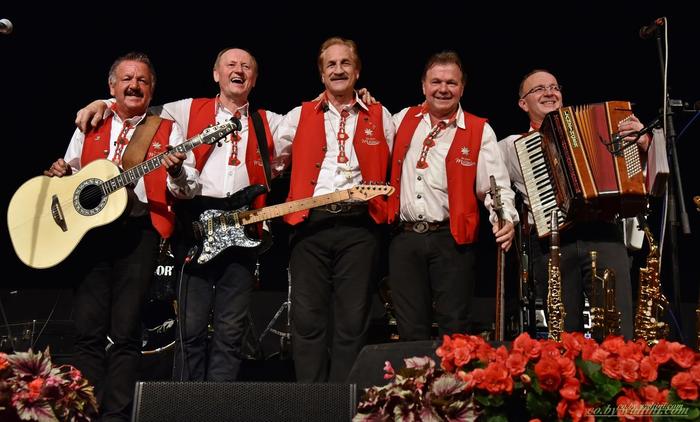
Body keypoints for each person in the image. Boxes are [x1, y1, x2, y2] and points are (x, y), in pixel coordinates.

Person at [75, 47, 287, 382]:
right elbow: (139, 107)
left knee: (231, 331)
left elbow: (316, 124)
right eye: (230, 64)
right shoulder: (187, 110)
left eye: (247, 66)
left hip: (242, 229)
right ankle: (185, 405)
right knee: (190, 328)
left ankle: (217, 407)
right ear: (216, 74)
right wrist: (100, 103)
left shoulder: (271, 122)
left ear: (255, 78)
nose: (239, 70)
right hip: (195, 227)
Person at [44, 52, 184, 421]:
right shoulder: (91, 121)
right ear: (112, 87)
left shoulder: (166, 129)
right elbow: (71, 173)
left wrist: (178, 171)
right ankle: (84, 412)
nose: (134, 85)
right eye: (126, 79)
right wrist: (60, 172)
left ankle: (116, 416)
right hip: (90, 234)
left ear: (152, 89)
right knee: (88, 332)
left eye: (142, 80)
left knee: (125, 333)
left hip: (138, 233)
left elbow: (186, 190)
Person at [276, 36, 395, 382]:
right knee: (307, 320)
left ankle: (343, 406)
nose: (338, 70)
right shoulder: (299, 115)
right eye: (331, 64)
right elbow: (273, 161)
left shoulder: (381, 115)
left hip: (360, 228)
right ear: (321, 73)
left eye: (346, 63)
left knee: (352, 321)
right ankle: (312, 405)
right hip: (309, 228)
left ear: (357, 71)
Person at [498, 69, 650, 339]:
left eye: (554, 87)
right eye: (539, 89)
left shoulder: (602, 126)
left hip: (603, 232)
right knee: (565, 338)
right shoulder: (510, 147)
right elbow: (496, 188)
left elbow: (640, 179)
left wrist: (643, 145)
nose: (549, 92)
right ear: (523, 103)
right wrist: (506, 218)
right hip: (553, 242)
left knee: (619, 331)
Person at [387, 51, 517, 341]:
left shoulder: (478, 130)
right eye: (436, 81)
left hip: (451, 239)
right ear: (423, 85)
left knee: (454, 327)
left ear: (462, 88)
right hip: (404, 238)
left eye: (451, 83)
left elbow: (495, 186)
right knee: (409, 329)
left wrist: (504, 217)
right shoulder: (400, 120)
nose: (443, 89)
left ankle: (453, 388)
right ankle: (415, 387)